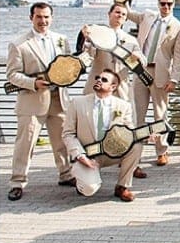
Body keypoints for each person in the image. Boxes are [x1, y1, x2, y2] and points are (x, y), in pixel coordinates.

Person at [6, 1, 81, 201]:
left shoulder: (61, 40)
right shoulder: (19, 44)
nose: (43, 21)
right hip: (32, 100)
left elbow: (67, 67)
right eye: (39, 17)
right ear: (31, 18)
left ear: (52, 18)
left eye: (46, 17)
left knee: (61, 141)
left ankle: (66, 174)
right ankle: (17, 182)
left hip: (59, 98)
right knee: (26, 144)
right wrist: (33, 83)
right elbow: (12, 75)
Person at [62, 68, 144, 202]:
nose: (99, 80)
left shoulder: (124, 106)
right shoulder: (77, 103)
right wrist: (80, 156)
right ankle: (82, 180)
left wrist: (146, 136)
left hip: (112, 153)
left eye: (104, 79)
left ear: (113, 86)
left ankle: (122, 186)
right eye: (98, 78)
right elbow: (68, 134)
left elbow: (129, 131)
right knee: (89, 189)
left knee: (137, 145)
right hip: (87, 155)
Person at [126, 0, 180, 167]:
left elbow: (179, 57)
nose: (166, 6)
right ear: (158, 4)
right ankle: (135, 153)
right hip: (141, 70)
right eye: (163, 3)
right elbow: (127, 13)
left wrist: (174, 79)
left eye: (169, 4)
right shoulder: (147, 16)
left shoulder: (178, 27)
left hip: (161, 73)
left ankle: (162, 151)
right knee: (138, 114)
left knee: (160, 115)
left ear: (173, 5)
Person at [80, 2, 145, 102]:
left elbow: (143, 63)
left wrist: (137, 58)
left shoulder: (131, 40)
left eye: (124, 14)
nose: (120, 16)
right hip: (98, 84)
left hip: (121, 88)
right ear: (109, 14)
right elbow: (89, 57)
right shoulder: (96, 33)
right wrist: (87, 39)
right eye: (117, 12)